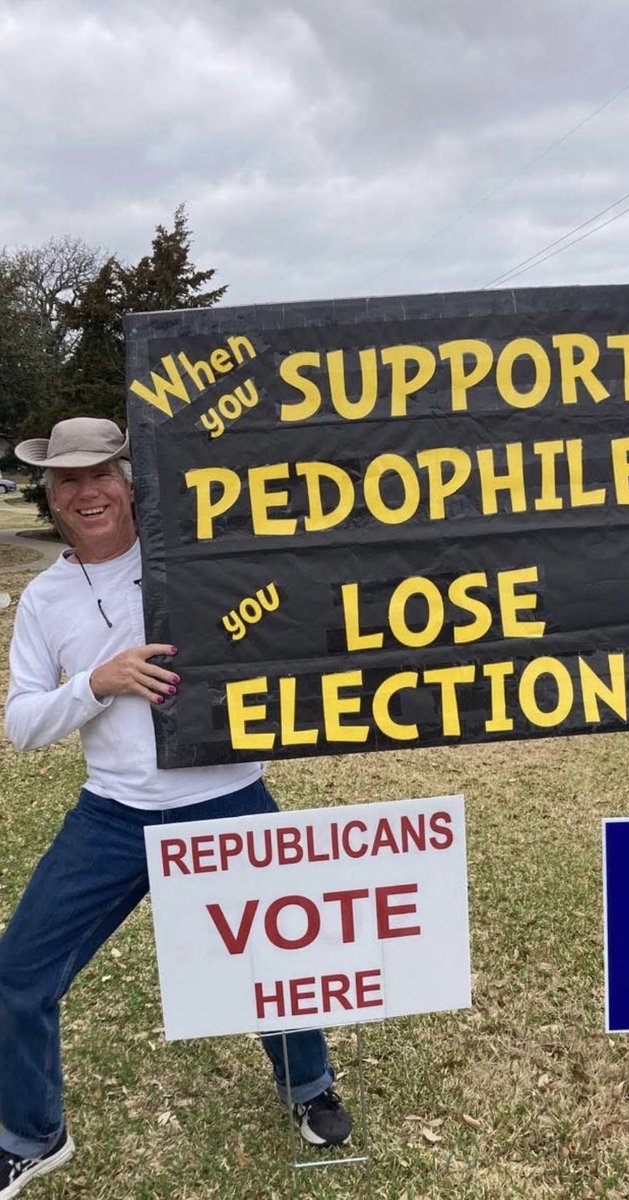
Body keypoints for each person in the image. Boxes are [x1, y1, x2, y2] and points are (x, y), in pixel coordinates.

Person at [0, 417, 351, 1197]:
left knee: (282, 963)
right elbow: (20, 724)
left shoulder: (201, 558)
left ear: (131, 482)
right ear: (52, 496)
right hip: (114, 815)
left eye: (102, 474)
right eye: (68, 480)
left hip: (227, 797)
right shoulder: (45, 599)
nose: (87, 492)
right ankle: (32, 1133)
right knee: (18, 974)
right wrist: (98, 682)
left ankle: (309, 1086)